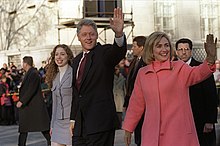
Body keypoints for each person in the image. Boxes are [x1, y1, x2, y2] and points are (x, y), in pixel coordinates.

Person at [122, 32, 217, 146]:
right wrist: (128, 128)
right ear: (151, 49)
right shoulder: (143, 73)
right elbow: (136, 103)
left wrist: (210, 59)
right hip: (152, 134)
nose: (164, 49)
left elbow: (198, 73)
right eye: (159, 46)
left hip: (179, 135)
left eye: (166, 45)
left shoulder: (179, 67)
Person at [70, 7, 127, 146]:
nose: (88, 38)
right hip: (80, 126)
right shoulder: (76, 61)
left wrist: (119, 34)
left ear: (96, 35)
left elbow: (117, 52)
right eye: (84, 35)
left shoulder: (104, 53)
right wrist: (72, 119)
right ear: (78, 37)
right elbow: (77, 93)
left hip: (100, 124)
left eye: (92, 34)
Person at [175, 38, 218, 146]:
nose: (183, 52)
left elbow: (211, 95)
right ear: (176, 52)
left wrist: (210, 120)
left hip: (200, 120)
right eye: (180, 49)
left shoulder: (202, 68)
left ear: (191, 51)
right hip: (178, 121)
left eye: (186, 49)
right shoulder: (171, 69)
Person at [16, 56, 51, 146]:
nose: (22, 65)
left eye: (22, 63)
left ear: (25, 63)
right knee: (24, 130)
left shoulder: (33, 73)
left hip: (33, 106)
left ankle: (52, 142)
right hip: (29, 107)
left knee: (43, 129)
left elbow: (31, 89)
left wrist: (22, 101)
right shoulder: (30, 73)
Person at [46, 44, 74, 146]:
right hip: (57, 123)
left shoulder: (74, 74)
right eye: (56, 54)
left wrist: (74, 120)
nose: (59, 57)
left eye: (62, 54)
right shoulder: (54, 77)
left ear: (68, 56)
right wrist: (52, 125)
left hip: (70, 122)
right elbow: (55, 104)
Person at [123, 36, 146, 146]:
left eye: (135, 46)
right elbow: (130, 84)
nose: (132, 48)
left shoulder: (146, 63)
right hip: (133, 101)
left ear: (142, 47)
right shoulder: (134, 62)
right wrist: (126, 102)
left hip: (144, 105)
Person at [113, 64, 126, 129]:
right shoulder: (111, 78)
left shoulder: (122, 78)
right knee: (115, 111)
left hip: (120, 96)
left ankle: (119, 124)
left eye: (117, 69)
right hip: (114, 95)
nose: (116, 71)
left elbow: (124, 89)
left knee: (120, 112)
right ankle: (115, 124)